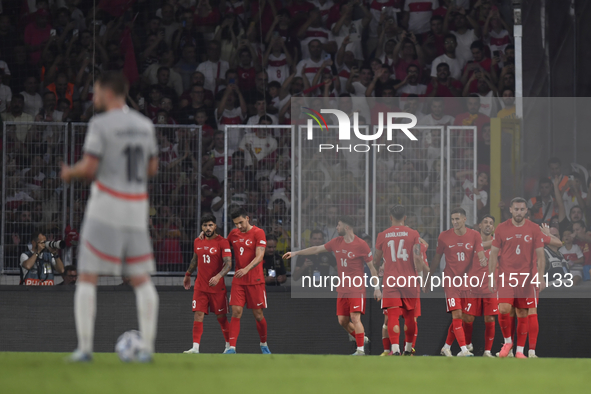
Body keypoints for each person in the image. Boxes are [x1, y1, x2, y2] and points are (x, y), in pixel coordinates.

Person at [61, 72, 160, 363]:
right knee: (141, 279)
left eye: (96, 91)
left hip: (105, 206)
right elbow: (152, 168)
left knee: (88, 276)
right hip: (136, 207)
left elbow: (90, 168)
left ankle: (84, 349)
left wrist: (70, 173)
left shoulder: (100, 123)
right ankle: (148, 350)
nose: (93, 96)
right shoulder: (145, 125)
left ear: (107, 92)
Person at [283, 216, 380, 356]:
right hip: (342, 288)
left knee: (355, 318)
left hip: (356, 288)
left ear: (346, 228)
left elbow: (372, 268)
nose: (336, 228)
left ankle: (360, 350)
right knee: (342, 321)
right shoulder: (336, 242)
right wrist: (296, 253)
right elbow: (317, 249)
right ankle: (361, 338)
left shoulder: (361, 245)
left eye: (339, 225)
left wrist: (377, 288)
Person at [488, 197, 549, 359]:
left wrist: (540, 277)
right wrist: (491, 276)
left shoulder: (534, 229)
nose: (519, 212)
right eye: (516, 209)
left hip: (527, 279)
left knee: (522, 312)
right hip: (506, 277)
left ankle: (520, 352)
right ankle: (508, 342)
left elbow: (541, 255)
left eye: (522, 209)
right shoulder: (501, 228)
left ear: (526, 211)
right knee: (503, 309)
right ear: (510, 210)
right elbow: (493, 254)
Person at [430, 207, 486, 357]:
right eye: (452, 219)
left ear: (464, 219)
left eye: (457, 219)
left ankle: (446, 347)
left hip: (467, 282)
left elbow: (480, 251)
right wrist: (428, 276)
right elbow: (437, 257)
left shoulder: (474, 235)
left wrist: (482, 259)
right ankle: (464, 350)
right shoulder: (444, 236)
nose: (454, 222)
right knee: (457, 314)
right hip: (451, 281)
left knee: (467, 317)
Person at [374, 205, 428, 355]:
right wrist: (421, 278)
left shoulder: (382, 235)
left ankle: (395, 349)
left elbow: (376, 260)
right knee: (410, 316)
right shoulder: (413, 234)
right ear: (405, 218)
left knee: (392, 315)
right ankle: (408, 349)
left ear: (390, 217)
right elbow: (418, 258)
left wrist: (377, 278)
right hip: (409, 279)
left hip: (390, 280)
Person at [183, 215, 232, 354]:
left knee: (221, 318)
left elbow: (228, 264)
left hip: (217, 288)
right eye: (205, 225)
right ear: (202, 227)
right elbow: (195, 259)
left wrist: (218, 276)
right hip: (200, 286)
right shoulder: (197, 241)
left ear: (215, 226)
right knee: (198, 315)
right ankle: (195, 348)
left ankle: (229, 347)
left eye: (210, 225)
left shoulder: (222, 242)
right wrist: (187, 274)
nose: (208, 228)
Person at [225, 208, 270, 354]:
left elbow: (260, 256)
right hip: (239, 280)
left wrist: (246, 269)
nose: (239, 226)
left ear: (247, 218)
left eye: (241, 222)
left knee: (258, 315)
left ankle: (263, 343)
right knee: (236, 312)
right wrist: (207, 238)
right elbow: (222, 246)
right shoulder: (233, 234)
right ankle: (231, 347)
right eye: (236, 224)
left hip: (255, 280)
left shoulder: (258, 233)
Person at [462, 215, 497, 357]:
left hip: (490, 288)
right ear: (480, 226)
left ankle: (487, 351)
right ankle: (468, 346)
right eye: (485, 222)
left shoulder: (497, 245)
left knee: (490, 319)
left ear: (493, 227)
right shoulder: (471, 244)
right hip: (473, 287)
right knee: (468, 318)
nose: (488, 225)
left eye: (491, 223)